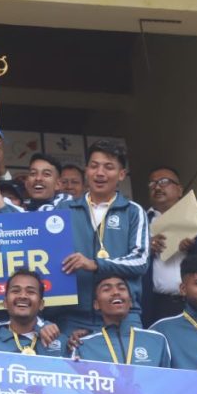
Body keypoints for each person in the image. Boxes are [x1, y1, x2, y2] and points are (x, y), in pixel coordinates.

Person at [51, 140, 149, 333]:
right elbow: (37, 243)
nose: (100, 173)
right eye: (94, 166)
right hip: (72, 316)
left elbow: (140, 260)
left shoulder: (132, 211)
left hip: (123, 314)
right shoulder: (63, 209)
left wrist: (96, 264)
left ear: (121, 174)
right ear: (86, 170)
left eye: (109, 167)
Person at [142, 166, 197, 326]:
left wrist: (193, 245)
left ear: (179, 190)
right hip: (157, 304)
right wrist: (147, 248)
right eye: (152, 184)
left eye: (164, 182)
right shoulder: (140, 219)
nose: (157, 187)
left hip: (195, 301)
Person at [74, 275, 170, 367]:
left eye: (121, 288)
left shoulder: (157, 340)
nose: (116, 292)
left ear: (131, 302)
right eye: (106, 289)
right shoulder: (84, 345)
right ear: (96, 304)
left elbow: (168, 377)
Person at [0, 270, 66, 357]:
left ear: (41, 304)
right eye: (16, 291)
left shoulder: (62, 342)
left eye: (30, 292)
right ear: (5, 303)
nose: (22, 296)